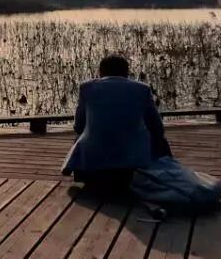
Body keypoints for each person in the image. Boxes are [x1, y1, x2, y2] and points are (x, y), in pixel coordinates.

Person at [62, 54, 171, 195]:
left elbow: (78, 126)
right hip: (133, 162)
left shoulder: (87, 88)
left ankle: (82, 172)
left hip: (93, 161)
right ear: (127, 72)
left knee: (80, 136)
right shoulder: (142, 89)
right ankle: (166, 173)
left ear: (100, 72)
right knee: (160, 140)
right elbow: (157, 128)